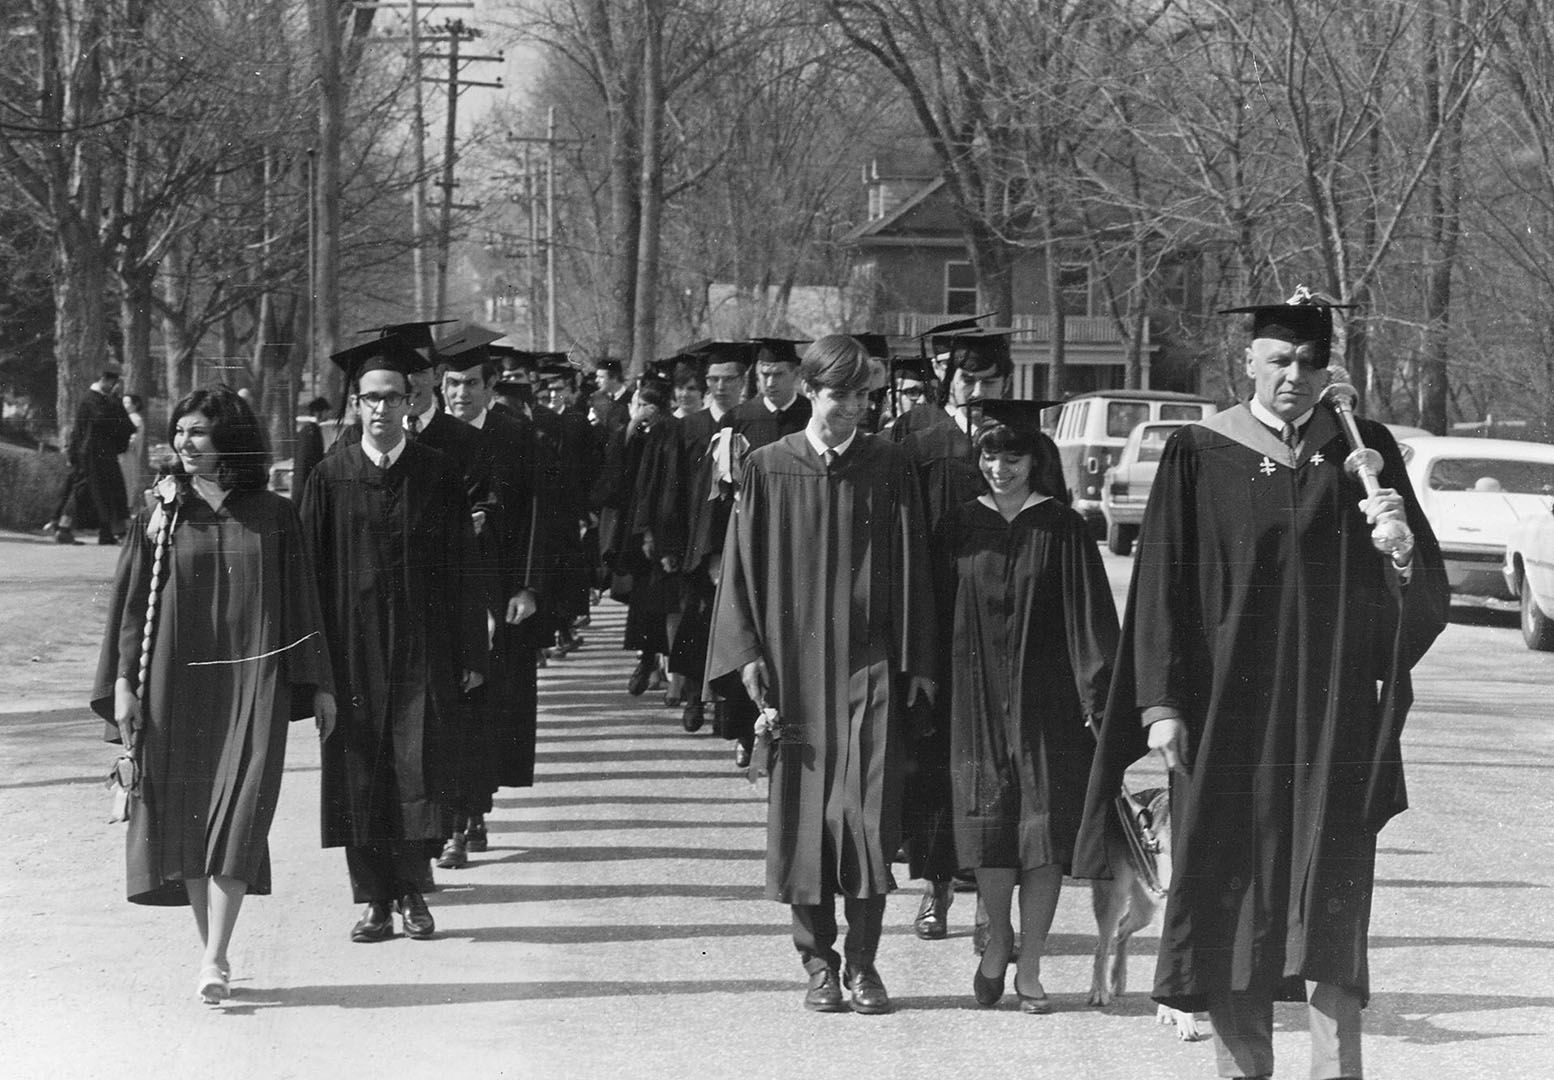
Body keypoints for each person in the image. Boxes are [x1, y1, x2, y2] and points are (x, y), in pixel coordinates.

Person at [1076, 296, 1451, 1080]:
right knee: (1229, 903)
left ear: (1329, 369)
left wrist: (1402, 551)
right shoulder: (1199, 450)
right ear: (1246, 362)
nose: (1294, 375)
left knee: (1329, 913)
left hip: (1330, 718)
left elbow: (1415, 600)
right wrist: (1160, 706)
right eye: (1278, 360)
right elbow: (1160, 591)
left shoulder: (1362, 450)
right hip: (1227, 719)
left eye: (1310, 362)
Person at [706, 334, 938, 1016]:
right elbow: (739, 568)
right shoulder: (770, 467)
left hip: (870, 673)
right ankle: (818, 965)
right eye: (840, 396)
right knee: (805, 820)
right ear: (811, 391)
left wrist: (916, 661)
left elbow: (915, 570)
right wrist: (746, 653)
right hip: (796, 671)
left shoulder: (890, 466)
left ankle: (863, 965)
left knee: (864, 819)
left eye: (864, 397)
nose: (853, 411)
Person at [91, 386, 334, 1004]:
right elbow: (129, 607)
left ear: (229, 437)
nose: (183, 444)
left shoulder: (274, 515)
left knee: (240, 814)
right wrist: (123, 685)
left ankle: (215, 955)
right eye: (179, 432)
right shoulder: (161, 510)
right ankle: (214, 955)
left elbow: (304, 605)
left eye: (196, 432)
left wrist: (322, 684)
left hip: (255, 686)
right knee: (191, 817)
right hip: (175, 683)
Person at [299, 334, 487, 944]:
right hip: (352, 653)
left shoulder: (437, 473)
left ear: (411, 402)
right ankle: (374, 899)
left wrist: (470, 653)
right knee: (360, 773)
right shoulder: (330, 478)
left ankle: (412, 890)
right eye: (368, 399)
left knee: (417, 767)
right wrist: (315, 666)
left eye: (391, 398)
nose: (379, 409)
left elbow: (463, 569)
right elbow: (308, 577)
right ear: (354, 406)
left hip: (422, 647)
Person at [939, 399, 1116, 1012]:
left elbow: (1091, 620)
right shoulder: (961, 523)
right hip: (976, 699)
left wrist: (1100, 700)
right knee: (991, 831)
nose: (1000, 467)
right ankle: (997, 939)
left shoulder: (1061, 526)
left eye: (1013, 456)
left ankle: (1032, 966)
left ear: (1034, 460)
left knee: (1042, 837)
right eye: (989, 454)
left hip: (1050, 706)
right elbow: (935, 613)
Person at [898, 326, 1020, 942]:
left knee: (998, 765)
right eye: (968, 379)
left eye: (989, 381)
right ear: (949, 378)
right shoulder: (919, 440)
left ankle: (988, 905)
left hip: (1003, 626)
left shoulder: (1017, 443)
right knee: (939, 763)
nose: (977, 390)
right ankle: (936, 888)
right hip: (940, 623)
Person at [56, 363, 136, 545]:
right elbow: (103, 420)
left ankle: (106, 532)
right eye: (112, 382)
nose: (113, 386)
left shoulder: (102, 399)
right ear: (106, 380)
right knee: (87, 491)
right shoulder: (92, 399)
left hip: (101, 453)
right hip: (92, 454)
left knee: (105, 492)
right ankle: (64, 528)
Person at [290, 395, 333, 502]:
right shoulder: (312, 432)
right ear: (319, 412)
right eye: (326, 411)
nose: (328, 414)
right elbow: (310, 461)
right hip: (306, 487)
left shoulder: (307, 430)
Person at [119, 393, 147, 511]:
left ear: (136, 405)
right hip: (121, 454)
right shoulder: (125, 417)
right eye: (123, 402)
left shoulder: (135, 419)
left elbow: (133, 439)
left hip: (128, 454)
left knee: (127, 480)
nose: (124, 405)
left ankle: (127, 507)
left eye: (127, 403)